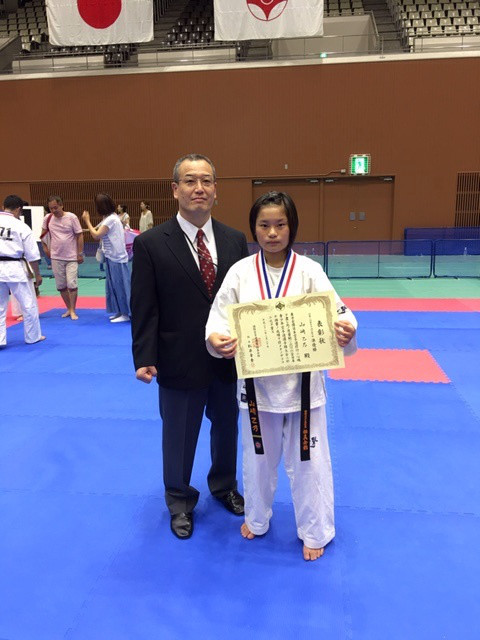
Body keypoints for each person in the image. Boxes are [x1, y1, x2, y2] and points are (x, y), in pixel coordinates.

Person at [206, 191, 358, 561]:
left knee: (310, 462)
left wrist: (346, 329)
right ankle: (257, 518)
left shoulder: (310, 271)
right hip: (257, 389)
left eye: (280, 225)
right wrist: (216, 340)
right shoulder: (240, 273)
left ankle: (315, 530)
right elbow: (218, 319)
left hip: (304, 389)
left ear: (292, 228)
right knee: (257, 459)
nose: (272, 233)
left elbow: (340, 313)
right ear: (253, 228)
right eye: (264, 225)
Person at [131, 153, 249, 540]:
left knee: (227, 428)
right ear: (175, 189)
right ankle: (179, 498)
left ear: (216, 190)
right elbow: (144, 306)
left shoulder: (234, 240)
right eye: (190, 181)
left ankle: (224, 485)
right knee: (179, 435)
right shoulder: (151, 243)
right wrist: (144, 356)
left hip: (228, 357)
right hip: (177, 357)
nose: (199, 188)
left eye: (206, 181)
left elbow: (245, 301)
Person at [0, 195, 45, 347]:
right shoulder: (21, 226)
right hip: (15, 269)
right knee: (28, 304)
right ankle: (32, 336)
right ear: (19, 209)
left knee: (0, 307)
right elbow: (32, 254)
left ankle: (0, 339)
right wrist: (37, 274)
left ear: (4, 206)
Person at [82, 194, 131, 323]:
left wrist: (87, 220)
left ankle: (125, 313)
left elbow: (96, 235)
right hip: (111, 257)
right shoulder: (110, 217)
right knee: (113, 286)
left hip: (117, 258)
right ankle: (120, 311)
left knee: (120, 286)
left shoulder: (111, 220)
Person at [41, 195, 84, 320]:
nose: (53, 210)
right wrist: (45, 248)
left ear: (61, 205)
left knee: (72, 283)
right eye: (51, 208)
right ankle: (69, 308)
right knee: (61, 286)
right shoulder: (48, 218)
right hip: (56, 256)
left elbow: (79, 235)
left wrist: (79, 253)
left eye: (55, 207)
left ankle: (73, 310)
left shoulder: (71, 217)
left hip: (71, 257)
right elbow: (42, 234)